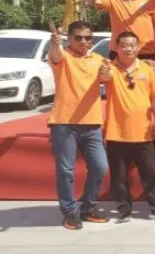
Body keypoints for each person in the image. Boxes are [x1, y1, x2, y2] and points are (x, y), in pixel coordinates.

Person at [100, 32, 155, 222]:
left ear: (138, 47)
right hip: (117, 133)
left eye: (132, 45)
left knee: (150, 174)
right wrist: (104, 69)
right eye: (124, 45)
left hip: (144, 132)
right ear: (117, 47)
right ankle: (124, 209)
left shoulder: (147, 70)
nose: (129, 49)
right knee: (119, 176)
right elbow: (103, 76)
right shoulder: (110, 68)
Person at [47, 21, 110, 230]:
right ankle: (70, 212)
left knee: (100, 167)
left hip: (92, 123)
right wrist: (55, 43)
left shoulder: (98, 59)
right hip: (64, 123)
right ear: (70, 39)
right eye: (79, 38)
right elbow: (56, 55)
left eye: (88, 37)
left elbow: (106, 78)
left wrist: (106, 73)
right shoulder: (63, 57)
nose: (84, 41)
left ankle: (88, 207)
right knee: (66, 170)